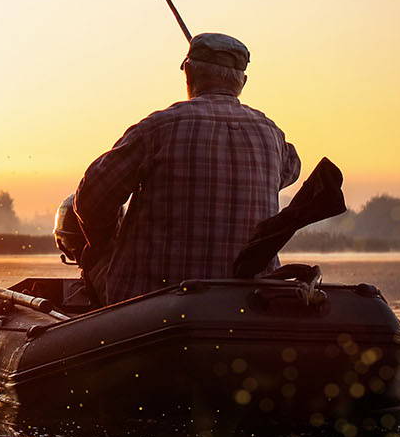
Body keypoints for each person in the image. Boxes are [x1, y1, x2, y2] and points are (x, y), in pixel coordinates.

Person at [69, 32, 300, 305]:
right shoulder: (272, 135)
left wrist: (104, 240)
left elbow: (92, 198)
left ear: (188, 72)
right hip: (247, 302)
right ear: (243, 82)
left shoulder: (159, 129)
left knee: (92, 251)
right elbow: (291, 169)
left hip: (152, 306)